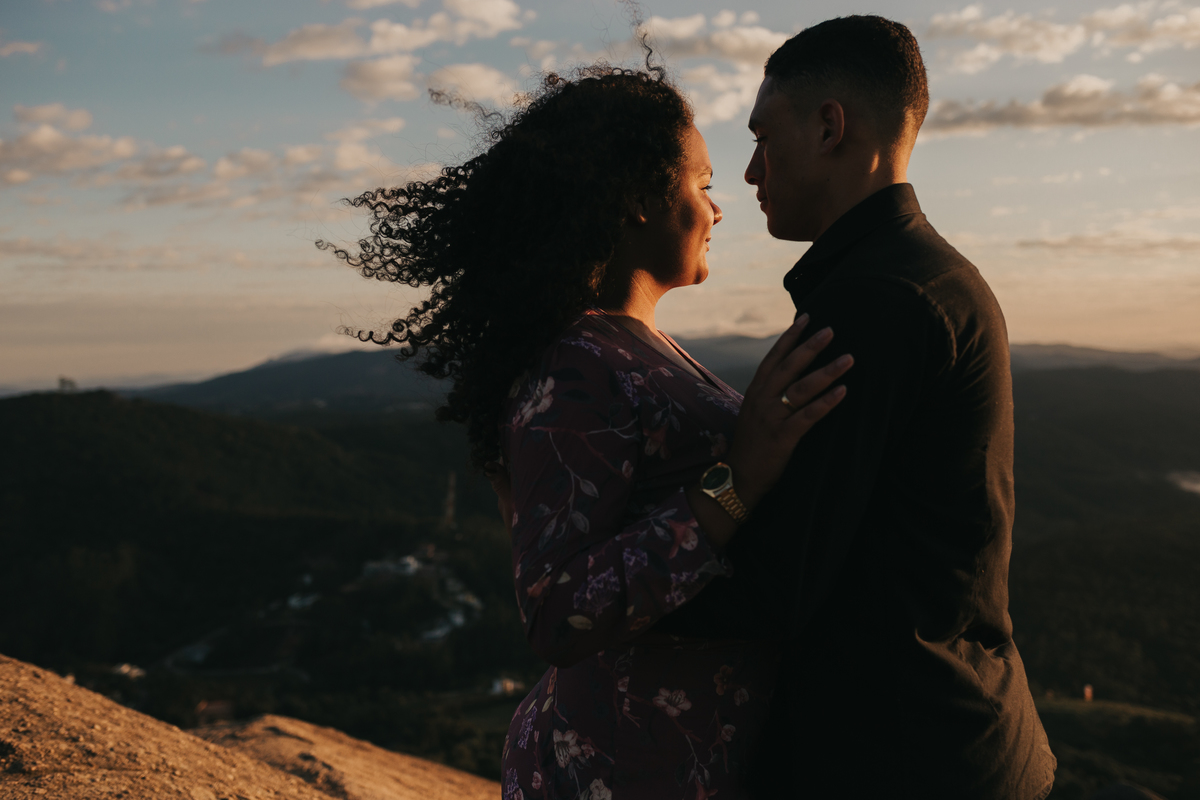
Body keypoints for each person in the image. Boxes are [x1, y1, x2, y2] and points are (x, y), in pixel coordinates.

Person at [320, 65, 853, 798]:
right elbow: (556, 610)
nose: (718, 209)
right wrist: (741, 478)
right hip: (616, 767)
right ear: (639, 199)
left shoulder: (628, 345)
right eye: (701, 185)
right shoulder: (575, 363)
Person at [662, 15, 1058, 799]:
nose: (748, 173)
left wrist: (607, 583)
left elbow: (775, 582)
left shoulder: (873, 305)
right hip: (960, 736)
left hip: (894, 757)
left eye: (762, 138)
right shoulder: (934, 277)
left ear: (829, 126)